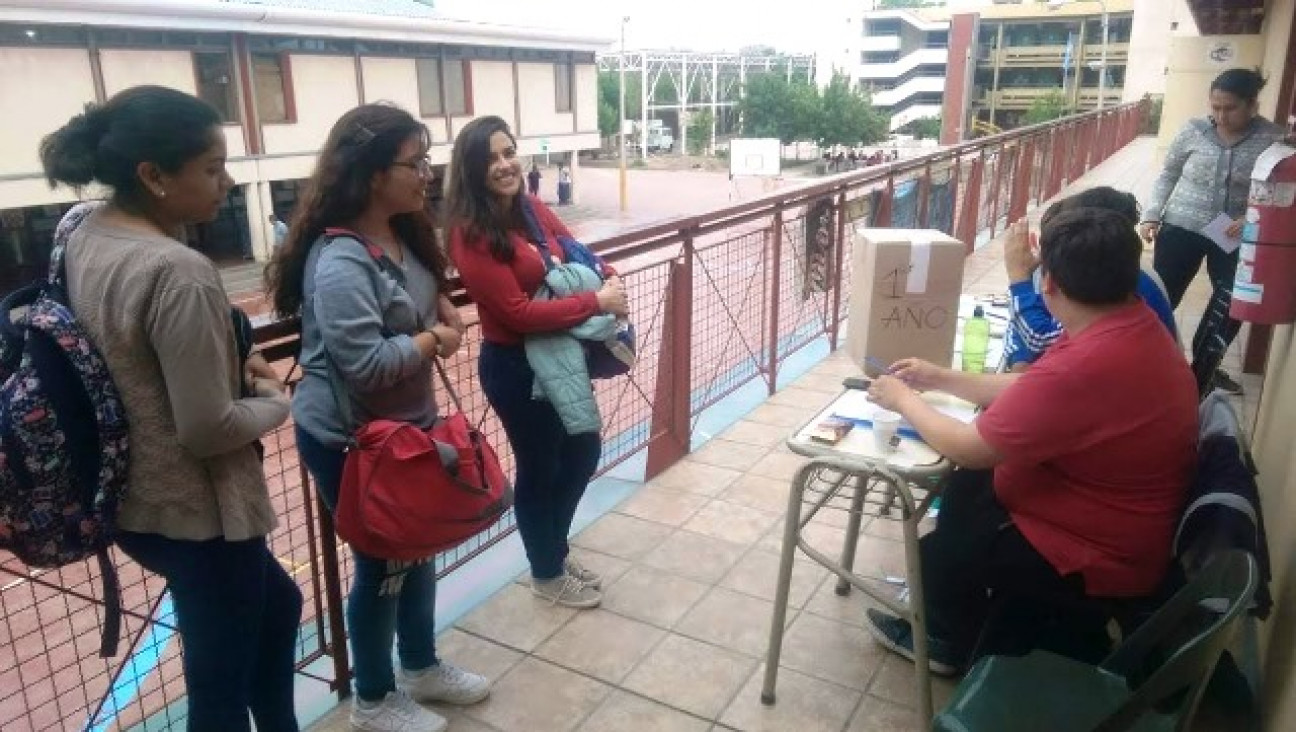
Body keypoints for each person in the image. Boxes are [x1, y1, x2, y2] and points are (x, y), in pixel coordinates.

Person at [40, 85, 300, 731]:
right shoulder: (175, 270)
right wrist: (276, 401)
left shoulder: (82, 232)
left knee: (280, 607)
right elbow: (209, 428)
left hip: (133, 502)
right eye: (212, 167)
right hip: (203, 517)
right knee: (217, 691)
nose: (228, 182)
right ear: (153, 175)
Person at [864, 206, 1198, 676]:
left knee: (938, 550)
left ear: (1050, 284)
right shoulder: (1127, 323)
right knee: (965, 490)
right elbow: (1029, 387)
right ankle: (962, 620)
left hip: (1097, 554)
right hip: (1113, 519)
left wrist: (901, 399)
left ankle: (945, 641)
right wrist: (939, 379)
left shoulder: (1089, 364)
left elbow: (967, 444)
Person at [265, 103, 487, 732]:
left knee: (419, 548)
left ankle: (419, 665)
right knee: (383, 565)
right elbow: (364, 364)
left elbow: (419, 303)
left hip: (406, 430)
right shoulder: (339, 262)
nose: (426, 174)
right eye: (413, 163)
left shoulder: (403, 236)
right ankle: (374, 696)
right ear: (368, 174)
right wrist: (433, 340)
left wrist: (438, 310)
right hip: (351, 441)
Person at [446, 116, 628, 608]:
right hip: (516, 366)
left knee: (583, 451)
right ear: (472, 171)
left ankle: (553, 552)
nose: (505, 165)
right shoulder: (470, 233)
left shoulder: (530, 208)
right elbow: (516, 313)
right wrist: (597, 303)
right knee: (540, 465)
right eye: (491, 159)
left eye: (509, 152)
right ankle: (546, 573)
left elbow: (577, 253)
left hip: (561, 356)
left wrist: (608, 279)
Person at [1140, 68, 1286, 396]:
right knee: (1161, 295)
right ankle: (1146, 359)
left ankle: (1203, 371)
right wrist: (1151, 215)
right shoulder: (1193, 131)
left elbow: (1279, 193)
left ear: (1252, 105)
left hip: (1235, 235)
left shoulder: (1273, 141)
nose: (1220, 116)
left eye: (1229, 108)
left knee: (1230, 302)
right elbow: (1169, 173)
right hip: (1181, 227)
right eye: (1215, 107)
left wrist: (1253, 219)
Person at [1002, 186, 1179, 370]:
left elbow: (1040, 339)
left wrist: (1019, 278)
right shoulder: (1114, 266)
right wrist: (1019, 359)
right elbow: (1027, 326)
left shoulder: (1119, 283)